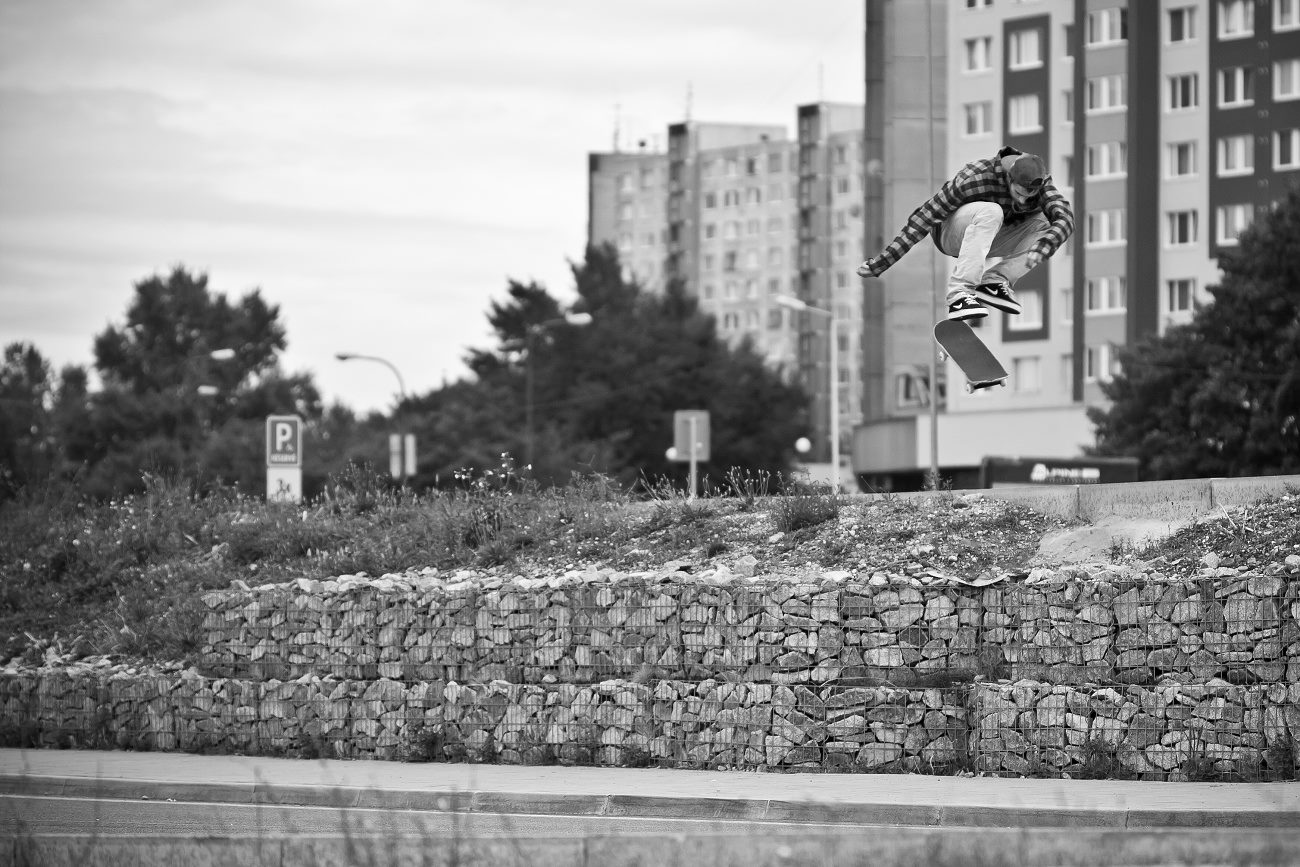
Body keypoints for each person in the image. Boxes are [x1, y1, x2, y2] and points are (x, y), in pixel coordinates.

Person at [856, 146, 1074, 322]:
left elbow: (1065, 219)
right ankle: (960, 293)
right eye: (1019, 193)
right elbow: (923, 219)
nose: (1024, 200)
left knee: (1048, 223)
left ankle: (994, 280)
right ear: (1009, 178)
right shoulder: (975, 178)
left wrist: (1041, 247)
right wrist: (881, 263)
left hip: (992, 236)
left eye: (1030, 196)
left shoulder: (1043, 184)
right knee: (991, 211)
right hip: (951, 233)